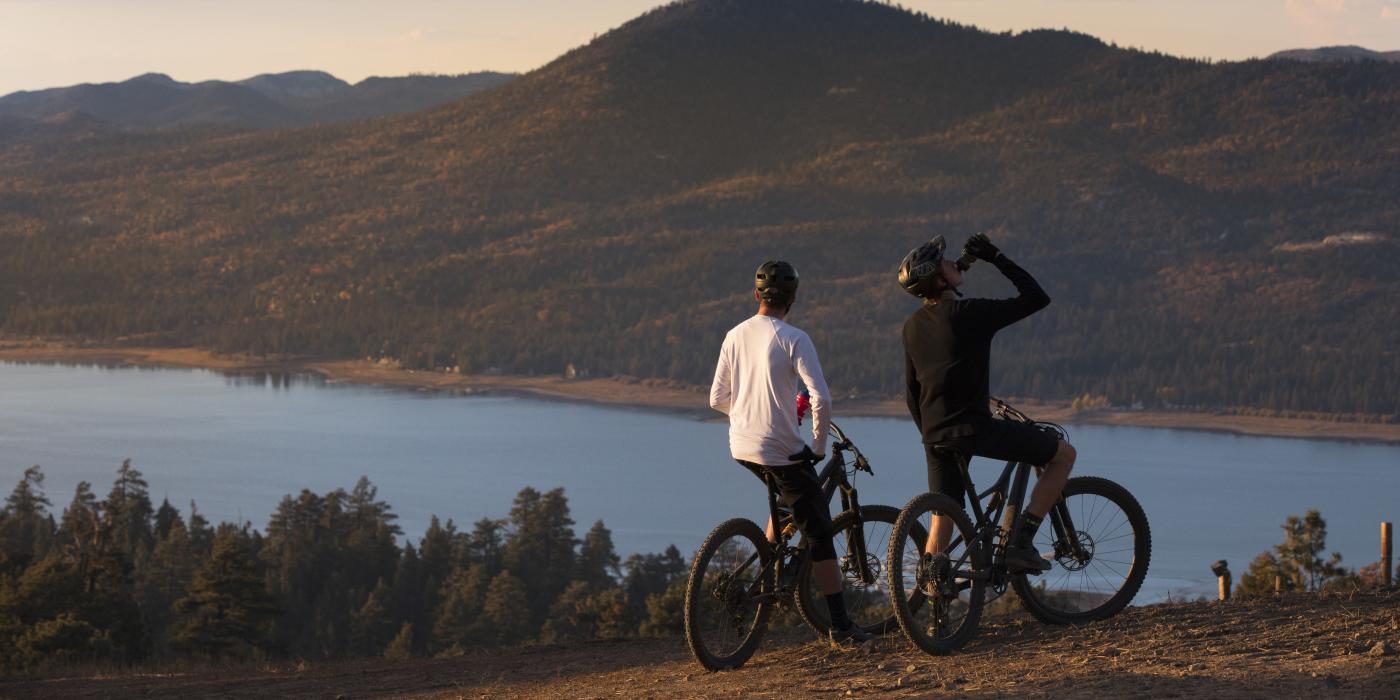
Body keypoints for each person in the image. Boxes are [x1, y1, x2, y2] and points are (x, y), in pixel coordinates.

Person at [709, 260, 870, 644]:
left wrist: (747, 416)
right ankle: (841, 628)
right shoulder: (794, 337)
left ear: (756, 295)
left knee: (786, 495)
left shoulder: (734, 334)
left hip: (741, 445)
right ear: (793, 298)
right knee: (821, 536)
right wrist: (817, 446)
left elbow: (716, 398)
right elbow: (821, 399)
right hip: (780, 449)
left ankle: (772, 570)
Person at [899, 233, 1076, 573]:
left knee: (943, 515)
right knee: (1063, 456)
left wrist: (931, 435)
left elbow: (911, 392)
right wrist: (996, 257)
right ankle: (1021, 542)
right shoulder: (969, 313)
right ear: (938, 278)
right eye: (944, 262)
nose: (952, 262)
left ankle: (932, 589)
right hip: (974, 429)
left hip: (935, 436)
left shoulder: (912, 327)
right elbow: (1036, 297)